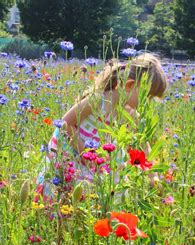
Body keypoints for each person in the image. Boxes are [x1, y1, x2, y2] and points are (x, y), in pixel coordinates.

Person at [37, 53, 168, 198]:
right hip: (71, 152)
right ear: (130, 85)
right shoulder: (99, 99)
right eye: (147, 96)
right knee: (60, 196)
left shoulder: (130, 114)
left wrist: (153, 176)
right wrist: (85, 154)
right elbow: (65, 124)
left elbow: (143, 144)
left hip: (93, 162)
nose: (148, 103)